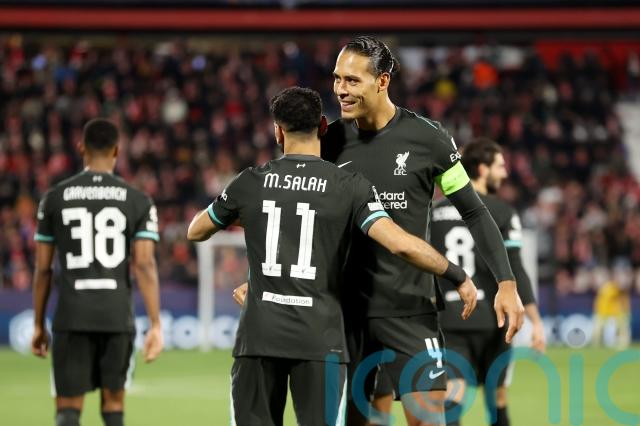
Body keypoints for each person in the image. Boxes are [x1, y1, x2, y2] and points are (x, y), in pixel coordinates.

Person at [234, 36, 525, 425]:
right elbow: (292, 212)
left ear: (382, 81)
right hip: (344, 313)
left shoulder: (430, 139)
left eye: (352, 80)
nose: (340, 89)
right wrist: (259, 277)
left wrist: (506, 282)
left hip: (410, 308)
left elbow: (473, 210)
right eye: (337, 78)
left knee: (428, 419)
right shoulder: (328, 142)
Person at [188, 87, 477, 426]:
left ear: (277, 131)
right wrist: (456, 274)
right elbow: (400, 244)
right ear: (324, 126)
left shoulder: (250, 183)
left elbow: (196, 230)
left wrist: (253, 213)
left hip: (259, 336)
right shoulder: (349, 186)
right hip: (319, 340)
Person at [31, 118, 163, 426]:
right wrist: (156, 324)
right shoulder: (138, 200)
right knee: (114, 407)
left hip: (72, 315)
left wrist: (38, 324)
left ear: (81, 149)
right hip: (116, 317)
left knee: (67, 409)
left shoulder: (54, 198)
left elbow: (43, 269)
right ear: (117, 150)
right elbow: (144, 265)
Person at [430, 138, 546, 426]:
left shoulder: (433, 212)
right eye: (499, 166)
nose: (505, 173)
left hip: (450, 319)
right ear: (482, 169)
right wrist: (535, 321)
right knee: (498, 396)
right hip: (494, 321)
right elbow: (516, 268)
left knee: (453, 393)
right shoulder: (502, 212)